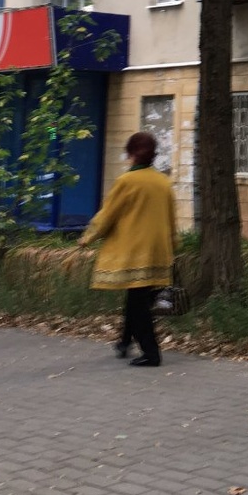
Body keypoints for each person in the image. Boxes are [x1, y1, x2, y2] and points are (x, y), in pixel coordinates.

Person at [77, 131, 176, 367]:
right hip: (158, 250)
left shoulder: (126, 181)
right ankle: (124, 342)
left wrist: (87, 237)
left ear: (131, 154)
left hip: (135, 252)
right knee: (136, 298)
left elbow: (108, 215)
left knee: (139, 304)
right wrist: (174, 245)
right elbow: (172, 218)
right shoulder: (163, 182)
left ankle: (151, 353)